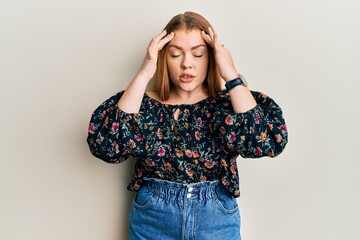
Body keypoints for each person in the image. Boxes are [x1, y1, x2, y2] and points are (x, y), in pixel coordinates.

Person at [87, 11, 288, 240]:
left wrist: (230, 73)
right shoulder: (142, 104)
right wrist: (144, 72)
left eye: (198, 54)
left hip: (215, 219)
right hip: (153, 218)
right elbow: (106, 147)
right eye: (175, 54)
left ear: (211, 57)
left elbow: (268, 142)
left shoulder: (228, 104)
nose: (186, 64)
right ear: (164, 58)